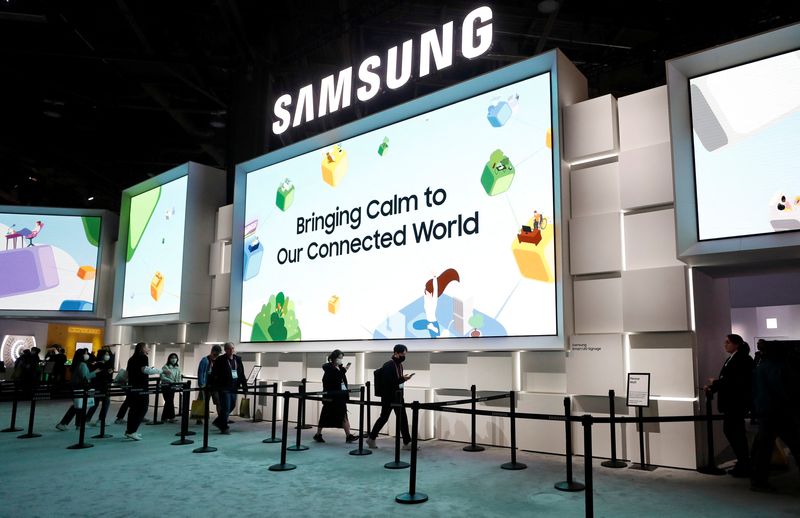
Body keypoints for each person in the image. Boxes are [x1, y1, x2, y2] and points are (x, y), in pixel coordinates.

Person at [750, 340, 800, 492]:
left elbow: (755, 390)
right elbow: (785, 391)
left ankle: (758, 481)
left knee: (763, 449)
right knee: (797, 444)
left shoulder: (761, 367)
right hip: (779, 413)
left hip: (765, 412)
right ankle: (759, 481)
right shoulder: (780, 368)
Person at [704, 334, 754, 477]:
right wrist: (713, 386)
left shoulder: (742, 359)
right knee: (735, 432)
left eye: (728, 342)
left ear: (736, 344)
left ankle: (744, 464)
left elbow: (735, 382)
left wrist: (715, 383)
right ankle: (743, 461)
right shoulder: (733, 359)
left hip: (736, 403)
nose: (725, 345)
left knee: (734, 432)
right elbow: (727, 380)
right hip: (733, 403)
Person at [367, 344, 416, 450]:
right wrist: (403, 379)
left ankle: (407, 442)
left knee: (401, 418)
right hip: (389, 397)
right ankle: (371, 438)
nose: (404, 356)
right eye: (403, 353)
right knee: (385, 418)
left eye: (405, 354)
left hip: (398, 396)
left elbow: (396, 380)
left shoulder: (399, 365)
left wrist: (403, 378)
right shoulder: (389, 365)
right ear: (396, 353)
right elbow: (390, 382)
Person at [314, 349, 357, 443]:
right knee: (324, 416)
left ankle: (348, 435)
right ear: (334, 358)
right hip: (331, 398)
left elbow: (340, 380)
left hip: (339, 396)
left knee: (343, 414)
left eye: (341, 358)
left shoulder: (338, 368)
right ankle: (318, 434)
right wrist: (343, 370)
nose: (341, 360)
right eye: (339, 358)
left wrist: (343, 370)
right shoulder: (329, 369)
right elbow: (334, 379)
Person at [124, 343, 163, 441]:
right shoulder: (143, 357)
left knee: (133, 409)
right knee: (143, 408)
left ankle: (130, 430)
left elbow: (127, 373)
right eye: (147, 347)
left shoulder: (131, 359)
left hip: (132, 386)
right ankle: (132, 431)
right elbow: (144, 370)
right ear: (142, 348)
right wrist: (160, 371)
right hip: (141, 386)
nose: (148, 348)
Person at [209, 342, 247, 434]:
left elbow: (241, 374)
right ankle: (224, 427)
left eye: (233, 348)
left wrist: (244, 387)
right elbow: (214, 373)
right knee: (226, 407)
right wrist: (215, 385)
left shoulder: (237, 359)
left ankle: (218, 421)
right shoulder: (220, 359)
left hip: (234, 387)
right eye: (229, 349)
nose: (231, 350)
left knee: (232, 405)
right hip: (224, 387)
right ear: (225, 350)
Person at [56, 348, 96, 431]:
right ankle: (70, 424)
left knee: (77, 406)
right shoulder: (82, 365)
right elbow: (85, 377)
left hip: (75, 387)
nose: (87, 355)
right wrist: (95, 372)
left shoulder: (76, 364)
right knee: (79, 406)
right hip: (80, 388)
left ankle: (74, 424)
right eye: (85, 353)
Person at [85, 347, 115, 426]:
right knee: (104, 402)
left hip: (100, 386)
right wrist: (108, 372)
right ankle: (100, 419)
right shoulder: (99, 364)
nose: (108, 356)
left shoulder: (101, 364)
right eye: (106, 354)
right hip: (100, 386)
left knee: (96, 403)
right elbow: (100, 375)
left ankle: (87, 419)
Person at [197, 344, 223, 425]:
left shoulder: (219, 360)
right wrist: (201, 384)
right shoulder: (205, 360)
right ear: (213, 351)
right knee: (203, 402)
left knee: (219, 402)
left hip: (215, 386)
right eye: (217, 352)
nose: (218, 354)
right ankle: (199, 419)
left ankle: (221, 418)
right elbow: (200, 372)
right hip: (205, 386)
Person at [160, 353, 181, 423]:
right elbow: (162, 377)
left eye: (175, 358)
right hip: (166, 386)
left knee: (169, 401)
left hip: (173, 387)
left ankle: (168, 417)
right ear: (169, 359)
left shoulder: (177, 368)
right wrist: (171, 381)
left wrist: (178, 384)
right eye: (172, 358)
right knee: (169, 401)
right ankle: (168, 417)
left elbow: (178, 377)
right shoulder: (165, 367)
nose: (173, 359)